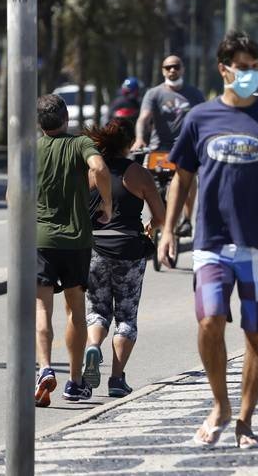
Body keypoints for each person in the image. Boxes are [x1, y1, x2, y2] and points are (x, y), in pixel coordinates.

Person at [157, 31, 258, 448]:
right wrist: (168, 230)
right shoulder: (199, 118)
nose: (250, 75)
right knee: (209, 320)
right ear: (224, 69)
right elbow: (181, 179)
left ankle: (245, 420)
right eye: (242, 68)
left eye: (255, 68)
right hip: (212, 243)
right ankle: (219, 404)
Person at [35, 94, 113, 407]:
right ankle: (75, 381)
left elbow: (14, 195)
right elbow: (99, 167)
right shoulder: (80, 143)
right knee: (75, 310)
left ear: (39, 123)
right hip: (77, 239)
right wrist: (107, 204)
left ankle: (44, 367)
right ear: (66, 118)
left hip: (41, 239)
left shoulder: (32, 149)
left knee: (42, 307)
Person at [81, 118, 165, 398]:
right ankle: (116, 379)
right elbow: (161, 215)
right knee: (126, 316)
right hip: (129, 248)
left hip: (95, 247)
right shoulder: (139, 174)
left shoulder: (92, 171)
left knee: (97, 310)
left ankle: (93, 347)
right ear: (129, 144)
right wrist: (151, 227)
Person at [133, 54, 205, 238]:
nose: (172, 70)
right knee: (148, 183)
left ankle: (187, 220)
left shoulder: (195, 94)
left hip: (185, 148)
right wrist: (140, 138)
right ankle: (152, 219)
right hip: (158, 149)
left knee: (189, 178)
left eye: (176, 66)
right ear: (163, 70)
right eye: (168, 67)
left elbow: (205, 120)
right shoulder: (154, 94)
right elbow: (143, 119)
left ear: (183, 69)